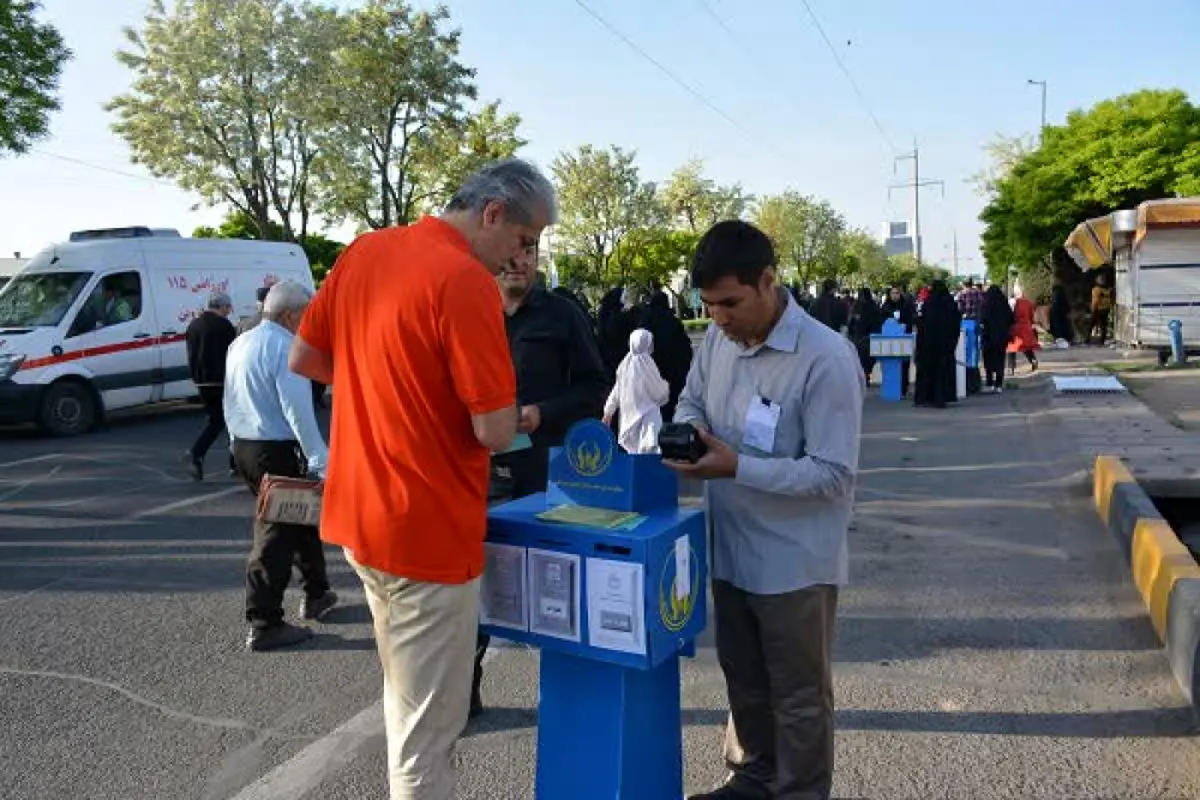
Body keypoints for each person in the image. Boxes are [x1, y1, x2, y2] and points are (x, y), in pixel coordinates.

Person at [288, 157, 555, 800]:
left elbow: (307, 357)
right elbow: (493, 431)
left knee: (406, 698)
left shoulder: (365, 250)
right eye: (524, 240)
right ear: (492, 213)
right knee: (426, 737)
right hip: (427, 533)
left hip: (361, 518)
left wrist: (388, 392)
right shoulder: (464, 281)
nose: (522, 259)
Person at [665, 220, 864, 800]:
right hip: (729, 548)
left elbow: (833, 474)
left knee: (799, 696)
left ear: (768, 281)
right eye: (708, 305)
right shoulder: (717, 344)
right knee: (744, 682)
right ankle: (751, 777)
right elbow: (690, 398)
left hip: (793, 564)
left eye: (730, 303)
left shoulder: (825, 358)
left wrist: (736, 466)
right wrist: (690, 431)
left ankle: (799, 790)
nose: (719, 318)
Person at [472, 239, 607, 717]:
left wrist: (542, 412)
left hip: (542, 472)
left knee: (552, 583)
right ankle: (466, 689)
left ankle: (567, 698)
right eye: (510, 252)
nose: (517, 261)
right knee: (475, 580)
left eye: (527, 253)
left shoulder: (563, 315)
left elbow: (595, 386)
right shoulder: (468, 311)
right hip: (476, 471)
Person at [224, 281, 337, 652]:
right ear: (292, 315)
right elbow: (298, 412)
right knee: (275, 536)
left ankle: (317, 592)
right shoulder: (286, 348)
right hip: (275, 450)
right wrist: (322, 461)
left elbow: (231, 399)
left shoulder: (242, 341)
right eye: (308, 315)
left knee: (300, 519)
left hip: (246, 445)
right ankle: (264, 621)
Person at [184, 291, 237, 481]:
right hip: (222, 380)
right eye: (228, 308)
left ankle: (199, 455)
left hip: (202, 382)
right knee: (231, 420)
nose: (229, 312)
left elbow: (191, 355)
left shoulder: (194, 325)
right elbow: (233, 354)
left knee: (217, 421)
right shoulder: (225, 326)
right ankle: (232, 463)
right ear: (222, 307)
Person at [603, 328, 670, 454]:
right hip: (649, 413)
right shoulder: (647, 364)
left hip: (629, 415)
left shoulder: (624, 365)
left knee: (634, 450)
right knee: (651, 447)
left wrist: (608, 411)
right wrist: (666, 387)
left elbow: (617, 390)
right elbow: (657, 389)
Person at [641, 290, 694, 422]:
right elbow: (685, 347)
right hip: (672, 372)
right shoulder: (672, 321)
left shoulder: (644, 321)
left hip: (650, 370)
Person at [913, 281, 961, 409]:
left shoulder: (929, 303)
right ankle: (941, 398)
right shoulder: (950, 304)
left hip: (928, 345)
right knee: (942, 371)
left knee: (927, 371)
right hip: (945, 345)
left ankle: (926, 397)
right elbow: (956, 324)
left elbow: (921, 324)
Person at [880, 286, 915, 397]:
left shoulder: (906, 305)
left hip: (904, 338)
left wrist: (904, 325)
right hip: (889, 339)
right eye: (893, 293)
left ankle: (904, 387)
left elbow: (911, 319)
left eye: (897, 293)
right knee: (891, 363)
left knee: (904, 363)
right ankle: (891, 386)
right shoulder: (886, 306)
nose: (895, 295)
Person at [980, 285, 1014, 392]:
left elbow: (982, 319)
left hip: (988, 337)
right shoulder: (1004, 304)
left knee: (988, 360)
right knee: (1000, 359)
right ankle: (999, 383)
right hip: (1001, 337)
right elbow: (1011, 319)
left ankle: (990, 383)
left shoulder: (986, 304)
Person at [847, 287, 883, 385]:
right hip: (872, 336)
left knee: (860, 358)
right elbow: (879, 321)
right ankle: (867, 374)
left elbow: (851, 321)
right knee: (870, 358)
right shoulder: (874, 306)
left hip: (860, 335)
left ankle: (864, 376)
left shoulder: (857, 305)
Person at [1008, 289, 1040, 374]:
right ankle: (1034, 361)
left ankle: (1011, 368)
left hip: (1015, 328)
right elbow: (1032, 316)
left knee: (1012, 348)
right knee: (1026, 348)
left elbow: (1009, 315)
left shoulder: (1012, 302)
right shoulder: (1028, 303)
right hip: (1026, 328)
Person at [1091, 274, 1113, 345]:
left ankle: (1088, 338)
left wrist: (1094, 309)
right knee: (1103, 325)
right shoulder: (1108, 289)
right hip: (1106, 308)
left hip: (1098, 309)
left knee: (1094, 323)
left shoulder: (1096, 289)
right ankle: (1102, 339)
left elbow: (1095, 301)